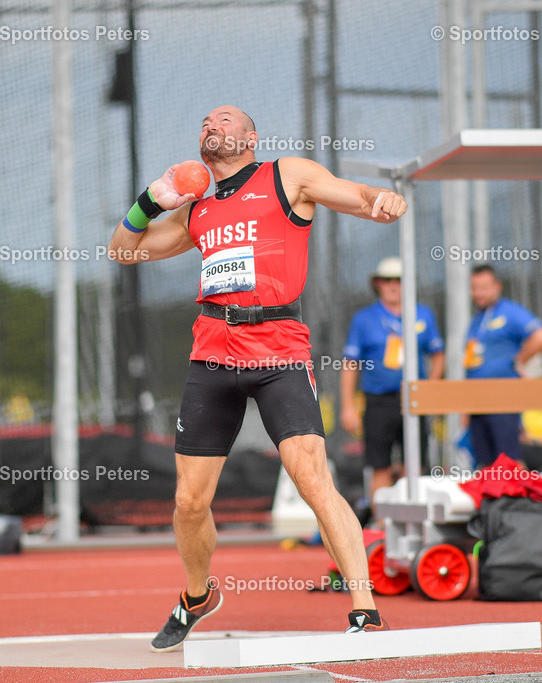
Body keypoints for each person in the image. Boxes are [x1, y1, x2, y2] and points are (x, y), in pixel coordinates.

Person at [108, 105, 406, 651]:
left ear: (251, 137)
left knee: (312, 478)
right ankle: (198, 596)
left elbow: (354, 195)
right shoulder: (197, 209)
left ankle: (365, 607)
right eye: (203, 122)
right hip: (212, 354)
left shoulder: (285, 175)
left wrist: (382, 200)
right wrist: (149, 201)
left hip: (277, 350)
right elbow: (122, 251)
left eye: (223, 120)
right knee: (189, 504)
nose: (209, 126)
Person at [340, 257, 444, 517]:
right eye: (387, 280)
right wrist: (347, 406)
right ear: (378, 284)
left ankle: (416, 519)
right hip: (378, 401)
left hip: (414, 400)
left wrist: (430, 390)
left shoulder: (423, 314)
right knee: (379, 466)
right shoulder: (364, 319)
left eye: (398, 280)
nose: (393, 285)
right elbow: (350, 363)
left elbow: (438, 354)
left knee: (415, 464)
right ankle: (381, 526)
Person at [464, 264, 542, 467]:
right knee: (484, 465)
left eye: (483, 287)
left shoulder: (509, 311)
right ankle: (490, 500)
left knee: (509, 462)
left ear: (497, 287)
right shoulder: (476, 320)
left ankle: (515, 499)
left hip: (503, 399)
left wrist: (519, 361)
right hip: (477, 403)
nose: (478, 293)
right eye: (474, 288)